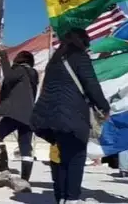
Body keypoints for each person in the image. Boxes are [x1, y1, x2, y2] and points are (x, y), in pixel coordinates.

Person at [30, 28, 110, 204]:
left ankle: (61, 197)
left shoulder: (55, 60)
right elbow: (91, 84)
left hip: (50, 116)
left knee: (61, 157)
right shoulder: (80, 57)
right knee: (76, 157)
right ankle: (72, 198)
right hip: (73, 115)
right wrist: (104, 107)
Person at [0, 48, 39, 182]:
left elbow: (8, 77)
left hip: (15, 113)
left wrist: (3, 57)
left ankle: (3, 167)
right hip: (29, 115)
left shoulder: (20, 70)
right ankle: (25, 179)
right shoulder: (33, 74)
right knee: (25, 145)